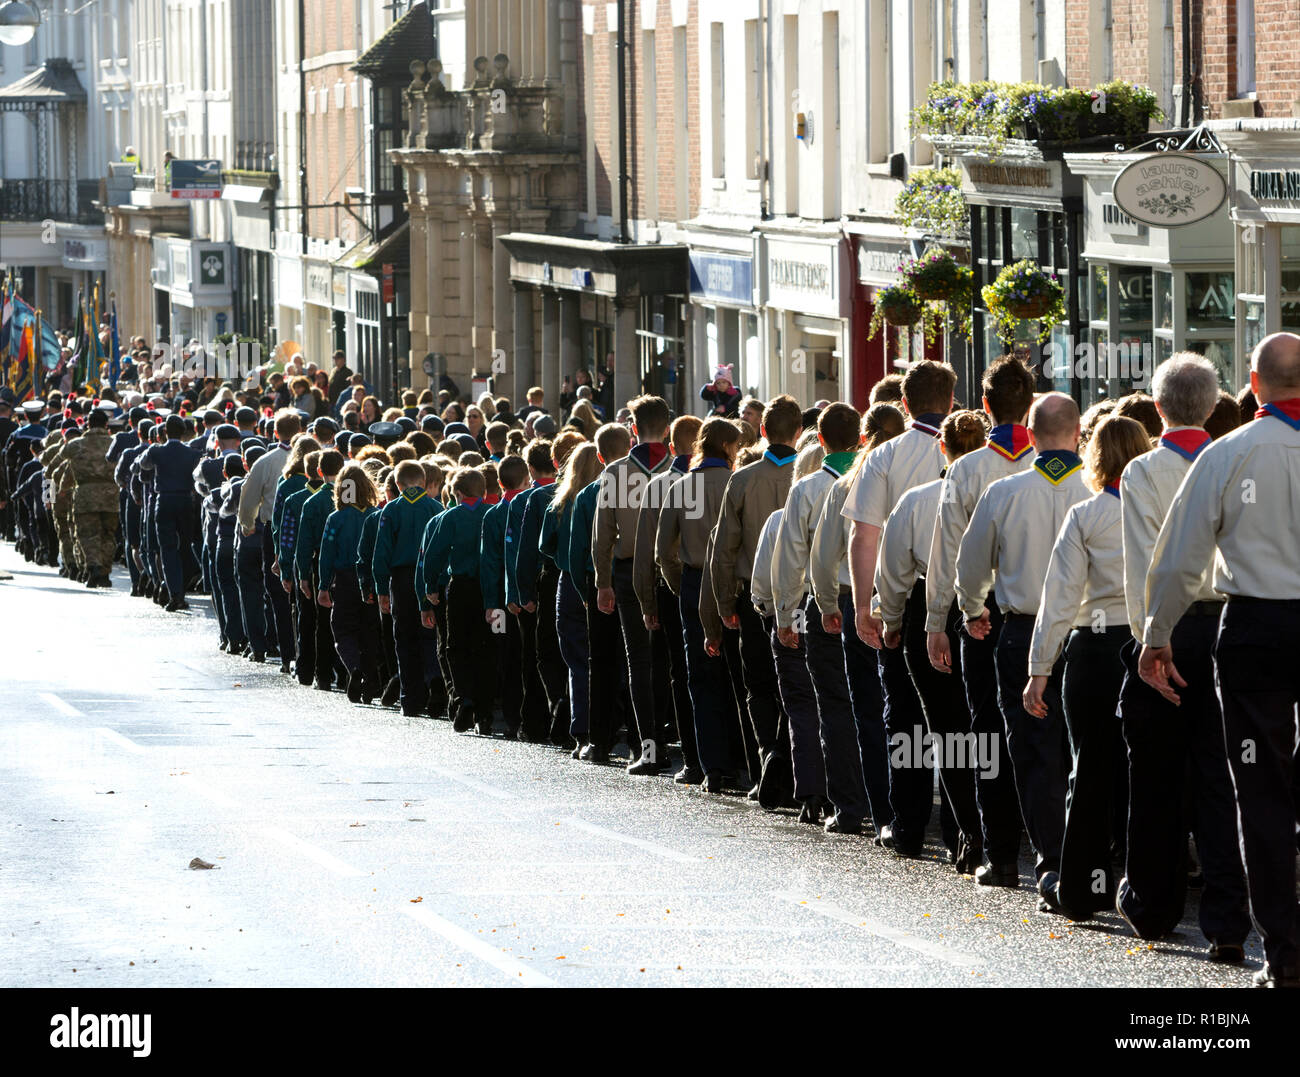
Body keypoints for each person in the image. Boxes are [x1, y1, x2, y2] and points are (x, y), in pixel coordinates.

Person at [1140, 332, 1300, 988]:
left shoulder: (1227, 454)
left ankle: (1285, 953)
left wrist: (1155, 635)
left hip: (1256, 630)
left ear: (1254, 387)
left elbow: (1179, 556)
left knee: (1260, 792)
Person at [1113, 354, 1249, 962]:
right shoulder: (1234, 457)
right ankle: (1227, 921)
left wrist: (1151, 637)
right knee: (1222, 778)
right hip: (1229, 621)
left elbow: (1149, 561)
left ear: (1158, 406)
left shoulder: (1143, 471)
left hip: (1171, 629)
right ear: (1214, 403)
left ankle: (1152, 905)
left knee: (1157, 773)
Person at [955, 392, 1088, 908]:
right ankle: (1085, 861)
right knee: (1087, 753)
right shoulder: (1101, 490)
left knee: (1034, 753)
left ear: (1029, 436)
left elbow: (970, 565)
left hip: (1023, 630)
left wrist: (971, 609)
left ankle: (1052, 863)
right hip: (1088, 631)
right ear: (1078, 433)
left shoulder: (1004, 491)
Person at [1024, 414, 1151, 919]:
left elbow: (1059, 600)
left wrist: (1040, 668)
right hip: (1147, 644)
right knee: (1145, 773)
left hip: (1094, 650)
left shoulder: (1085, 514)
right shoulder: (1162, 510)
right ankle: (1139, 886)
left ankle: (1081, 889)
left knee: (1089, 770)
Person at [924, 355, 1036, 887]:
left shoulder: (966, 469)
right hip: (1041, 613)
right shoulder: (1057, 463)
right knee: (1040, 731)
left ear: (986, 406)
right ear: (1030, 404)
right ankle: (1050, 849)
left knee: (987, 733)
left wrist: (937, 621)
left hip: (981, 616)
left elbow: (947, 552)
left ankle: (1002, 854)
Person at [845, 361, 954, 857]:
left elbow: (863, 534)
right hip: (960, 597)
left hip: (904, 597)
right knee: (958, 717)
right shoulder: (968, 449)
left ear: (904, 404)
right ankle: (961, 830)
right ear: (953, 400)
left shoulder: (884, 456)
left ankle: (907, 824)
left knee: (905, 714)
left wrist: (864, 604)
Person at [874, 409, 989, 873]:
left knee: (942, 727)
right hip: (988, 605)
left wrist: (893, 619)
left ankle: (950, 828)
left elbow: (893, 570)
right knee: (983, 723)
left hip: (931, 606)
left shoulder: (917, 500)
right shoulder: (998, 492)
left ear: (942, 448)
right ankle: (982, 828)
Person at [711, 394, 805, 808]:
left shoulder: (744, 478)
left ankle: (768, 755)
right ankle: (787, 764)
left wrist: (722, 599)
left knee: (760, 684)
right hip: (802, 595)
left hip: (754, 596)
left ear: (763, 431)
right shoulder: (813, 477)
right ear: (799, 432)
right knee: (799, 686)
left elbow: (725, 549)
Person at [771, 404, 863, 822]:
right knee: (869, 701)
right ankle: (877, 797)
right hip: (871, 599)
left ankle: (846, 803)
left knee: (832, 704)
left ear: (819, 440)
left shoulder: (806, 490)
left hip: (822, 601)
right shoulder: (872, 479)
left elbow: (790, 558)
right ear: (860, 437)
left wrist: (785, 614)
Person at [593, 395, 675, 773]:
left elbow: (603, 534)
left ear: (633, 430)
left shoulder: (614, 473)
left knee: (639, 661)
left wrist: (602, 581)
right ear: (668, 426)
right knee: (673, 661)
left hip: (627, 571)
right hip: (671, 573)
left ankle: (650, 747)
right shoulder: (679, 471)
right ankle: (684, 745)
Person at [633, 414, 703, 784]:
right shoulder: (718, 480)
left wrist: (647, 601)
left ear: (672, 447)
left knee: (671, 671)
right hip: (708, 584)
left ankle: (677, 752)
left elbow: (648, 549)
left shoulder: (660, 485)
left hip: (669, 585)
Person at [420, 466, 493, 733]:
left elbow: (434, 553)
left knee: (456, 646)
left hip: (460, 587)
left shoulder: (450, 517)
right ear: (483, 492)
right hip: (489, 588)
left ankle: (464, 697)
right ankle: (484, 713)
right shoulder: (492, 514)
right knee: (485, 647)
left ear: (458, 493)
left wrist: (431, 586)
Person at [373, 459, 442, 717]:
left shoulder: (391, 510)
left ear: (398, 484)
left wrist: (380, 588)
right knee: (429, 633)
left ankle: (410, 698)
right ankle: (435, 682)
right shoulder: (436, 507)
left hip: (401, 578)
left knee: (404, 638)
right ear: (424, 482)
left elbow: (382, 553)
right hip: (428, 577)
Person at [481, 454, 532, 737]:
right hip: (526, 595)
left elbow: (489, 563)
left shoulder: (493, 515)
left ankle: (512, 715)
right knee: (529, 654)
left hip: (501, 597)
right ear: (526, 480)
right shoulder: (533, 505)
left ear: (499, 483)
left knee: (507, 656)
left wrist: (490, 603)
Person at [295, 449, 347, 691]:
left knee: (323, 622)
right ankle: (347, 673)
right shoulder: (351, 497)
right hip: (347, 563)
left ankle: (323, 675)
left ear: (318, 471)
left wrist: (303, 575)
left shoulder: (312, 501)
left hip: (320, 563)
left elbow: (303, 543)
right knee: (347, 620)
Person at [144, 414, 202, 611]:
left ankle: (174, 592)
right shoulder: (192, 453)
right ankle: (179, 588)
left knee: (167, 549)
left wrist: (156, 446)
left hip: (165, 500)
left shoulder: (157, 451)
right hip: (186, 500)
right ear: (184, 432)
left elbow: (143, 465)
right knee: (185, 547)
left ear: (164, 432)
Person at [60, 406, 120, 588]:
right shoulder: (114, 443)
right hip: (111, 495)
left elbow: (63, 455)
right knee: (108, 535)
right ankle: (105, 573)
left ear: (87, 424)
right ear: (106, 424)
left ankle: (93, 566)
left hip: (85, 495)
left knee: (87, 535)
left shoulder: (76, 444)